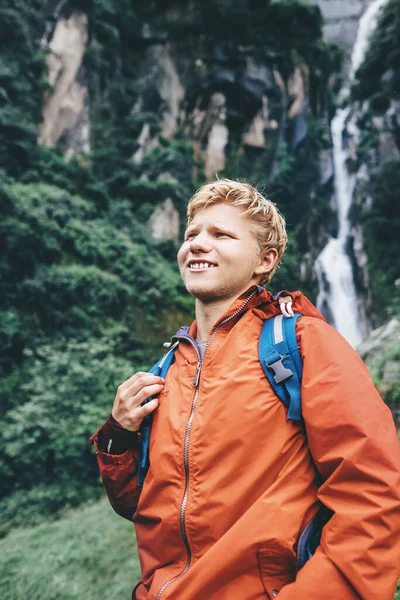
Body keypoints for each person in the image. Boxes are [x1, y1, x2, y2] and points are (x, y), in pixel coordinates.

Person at [90, 179, 400, 600]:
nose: (198, 244)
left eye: (221, 234)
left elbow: (374, 493)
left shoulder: (305, 345)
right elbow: (150, 509)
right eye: (192, 234)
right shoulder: (167, 371)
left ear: (264, 260)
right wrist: (118, 434)